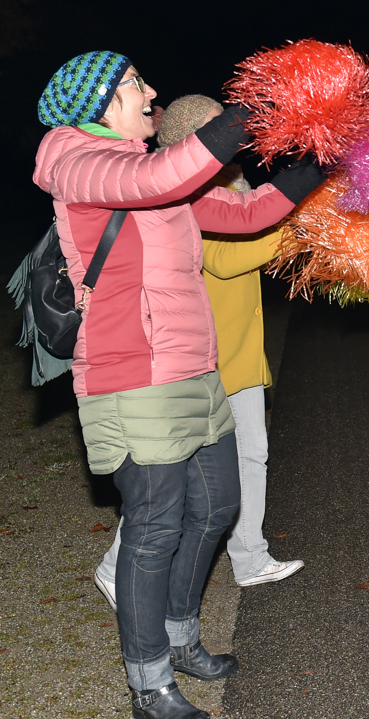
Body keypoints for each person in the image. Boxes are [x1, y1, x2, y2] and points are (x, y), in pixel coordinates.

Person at [34, 52, 322, 719]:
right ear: (98, 102)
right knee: (156, 525)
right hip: (130, 375)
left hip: (196, 371)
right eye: (136, 84)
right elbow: (164, 172)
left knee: (218, 504)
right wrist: (250, 111)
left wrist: (324, 160)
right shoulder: (76, 161)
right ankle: (149, 679)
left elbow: (248, 213)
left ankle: (181, 634)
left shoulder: (149, 172)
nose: (151, 91)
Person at [93, 95, 304, 614]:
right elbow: (227, 261)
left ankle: (250, 558)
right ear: (191, 137)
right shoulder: (184, 193)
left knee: (251, 459)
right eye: (219, 126)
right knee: (177, 475)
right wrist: (294, 232)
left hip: (240, 354)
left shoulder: (235, 185)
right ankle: (113, 566)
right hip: (203, 360)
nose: (235, 134)